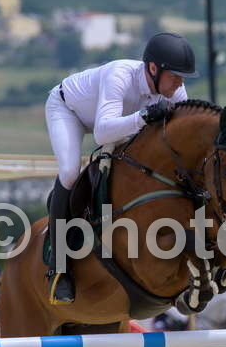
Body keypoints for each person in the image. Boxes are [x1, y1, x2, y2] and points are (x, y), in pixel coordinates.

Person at [44, 32, 197, 305]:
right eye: (175, 76)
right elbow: (103, 133)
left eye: (183, 78)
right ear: (153, 68)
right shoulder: (120, 75)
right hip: (69, 111)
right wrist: (144, 117)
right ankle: (59, 268)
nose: (180, 83)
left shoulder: (176, 92)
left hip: (116, 123)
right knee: (69, 173)